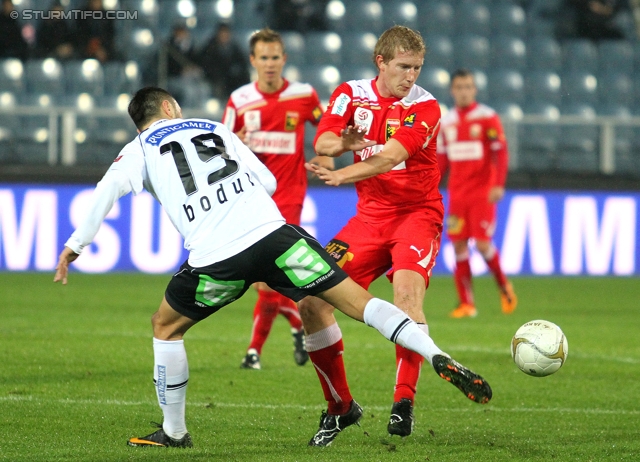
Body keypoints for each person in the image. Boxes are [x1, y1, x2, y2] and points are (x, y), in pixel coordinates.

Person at [53, 86, 492, 448]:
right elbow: (266, 180)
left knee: (165, 326)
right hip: (276, 236)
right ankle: (435, 354)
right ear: (170, 108)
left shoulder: (139, 148)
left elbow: (106, 190)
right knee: (359, 302)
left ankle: (174, 432)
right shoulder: (213, 126)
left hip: (218, 257)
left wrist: (75, 245)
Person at [299, 25, 481, 444]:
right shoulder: (350, 93)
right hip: (368, 220)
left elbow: (390, 156)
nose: (411, 76)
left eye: (417, 68)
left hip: (417, 216)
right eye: (404, 67)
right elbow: (323, 140)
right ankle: (340, 406)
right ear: (380, 62)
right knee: (311, 301)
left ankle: (403, 403)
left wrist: (342, 171)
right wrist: (340, 144)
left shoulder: (427, 108)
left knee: (406, 296)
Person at [222, 27, 331, 370]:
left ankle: (253, 353)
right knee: (262, 281)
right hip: (249, 198)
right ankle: (298, 325)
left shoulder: (303, 95)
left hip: (288, 196)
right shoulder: (239, 100)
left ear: (284, 59)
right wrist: (233, 142)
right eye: (263, 58)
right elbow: (218, 148)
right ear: (253, 61)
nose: (270, 64)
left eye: (275, 57)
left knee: (267, 281)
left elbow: (327, 126)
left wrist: (327, 155)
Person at [436, 68, 517, 319]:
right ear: (452, 91)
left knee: (482, 244)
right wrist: (431, 186)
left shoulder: (487, 117)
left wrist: (498, 184)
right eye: (459, 87)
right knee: (458, 244)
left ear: (474, 90)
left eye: (467, 87)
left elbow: (500, 153)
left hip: (482, 192)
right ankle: (466, 303)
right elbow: (441, 161)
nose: (463, 91)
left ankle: (504, 287)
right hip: (458, 194)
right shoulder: (446, 122)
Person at [200, 24, 250, 101]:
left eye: (226, 33)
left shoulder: (235, 48)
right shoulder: (210, 49)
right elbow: (207, 65)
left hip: (232, 80)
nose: (224, 36)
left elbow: (243, 65)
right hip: (216, 80)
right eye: (222, 34)